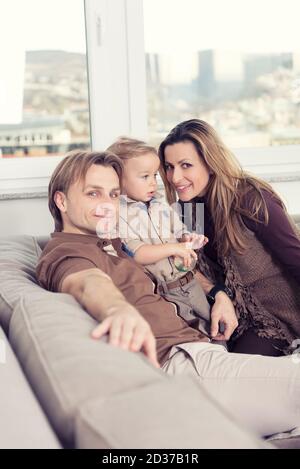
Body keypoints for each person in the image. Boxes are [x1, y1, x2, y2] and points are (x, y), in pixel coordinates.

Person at [36, 149, 300, 438]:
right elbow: (86, 281)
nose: (108, 205)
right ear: (61, 200)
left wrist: (219, 294)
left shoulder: (109, 239)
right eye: (93, 194)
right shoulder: (66, 252)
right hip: (184, 364)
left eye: (113, 195)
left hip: (205, 351)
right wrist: (116, 309)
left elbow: (175, 268)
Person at [158, 118, 300, 357]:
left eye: (186, 165)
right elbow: (187, 267)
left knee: (235, 371)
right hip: (229, 314)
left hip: (276, 318)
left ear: (210, 163)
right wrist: (218, 292)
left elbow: (295, 259)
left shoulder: (251, 199)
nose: (174, 177)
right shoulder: (187, 209)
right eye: (169, 166)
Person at [107, 137, 212, 338]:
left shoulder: (160, 205)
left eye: (154, 175)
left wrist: (187, 239)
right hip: (166, 292)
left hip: (191, 283)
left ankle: (225, 360)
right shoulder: (119, 216)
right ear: (119, 180)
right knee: (191, 335)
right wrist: (174, 249)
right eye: (144, 176)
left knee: (215, 329)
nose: (153, 183)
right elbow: (138, 253)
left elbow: (178, 229)